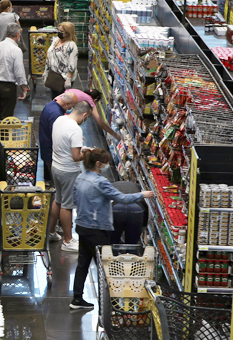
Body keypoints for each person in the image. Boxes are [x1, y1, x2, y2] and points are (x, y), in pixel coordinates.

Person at [70, 149, 153, 311]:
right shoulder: (100, 182)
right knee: (107, 267)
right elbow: (121, 198)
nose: (107, 165)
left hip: (82, 226)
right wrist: (141, 194)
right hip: (97, 229)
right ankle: (109, 304)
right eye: (105, 163)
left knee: (83, 264)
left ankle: (77, 299)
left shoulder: (80, 178)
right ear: (98, 164)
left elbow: (74, 199)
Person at [50, 101, 93, 253]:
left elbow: (63, 143)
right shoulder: (76, 130)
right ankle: (67, 240)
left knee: (58, 199)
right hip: (69, 171)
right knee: (67, 206)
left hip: (56, 166)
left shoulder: (59, 119)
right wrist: (87, 153)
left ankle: (50, 232)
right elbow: (76, 157)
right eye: (86, 118)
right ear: (85, 114)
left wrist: (82, 149)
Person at [0, 23, 29, 121]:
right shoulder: (16, 50)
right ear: (18, 35)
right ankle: (3, 136)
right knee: (6, 118)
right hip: (7, 87)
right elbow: (19, 72)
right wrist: (24, 88)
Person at [38, 92, 77, 194]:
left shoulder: (51, 105)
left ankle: (49, 186)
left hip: (45, 146)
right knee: (57, 187)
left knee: (49, 176)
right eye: (71, 106)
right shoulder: (56, 114)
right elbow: (57, 134)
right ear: (67, 103)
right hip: (51, 151)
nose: (70, 108)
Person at [44, 21, 79, 98]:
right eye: (59, 30)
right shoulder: (56, 40)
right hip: (53, 74)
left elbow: (72, 64)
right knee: (54, 98)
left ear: (68, 33)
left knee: (61, 100)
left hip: (63, 78)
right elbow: (50, 55)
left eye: (61, 31)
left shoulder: (71, 46)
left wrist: (68, 79)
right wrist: (46, 71)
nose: (59, 32)